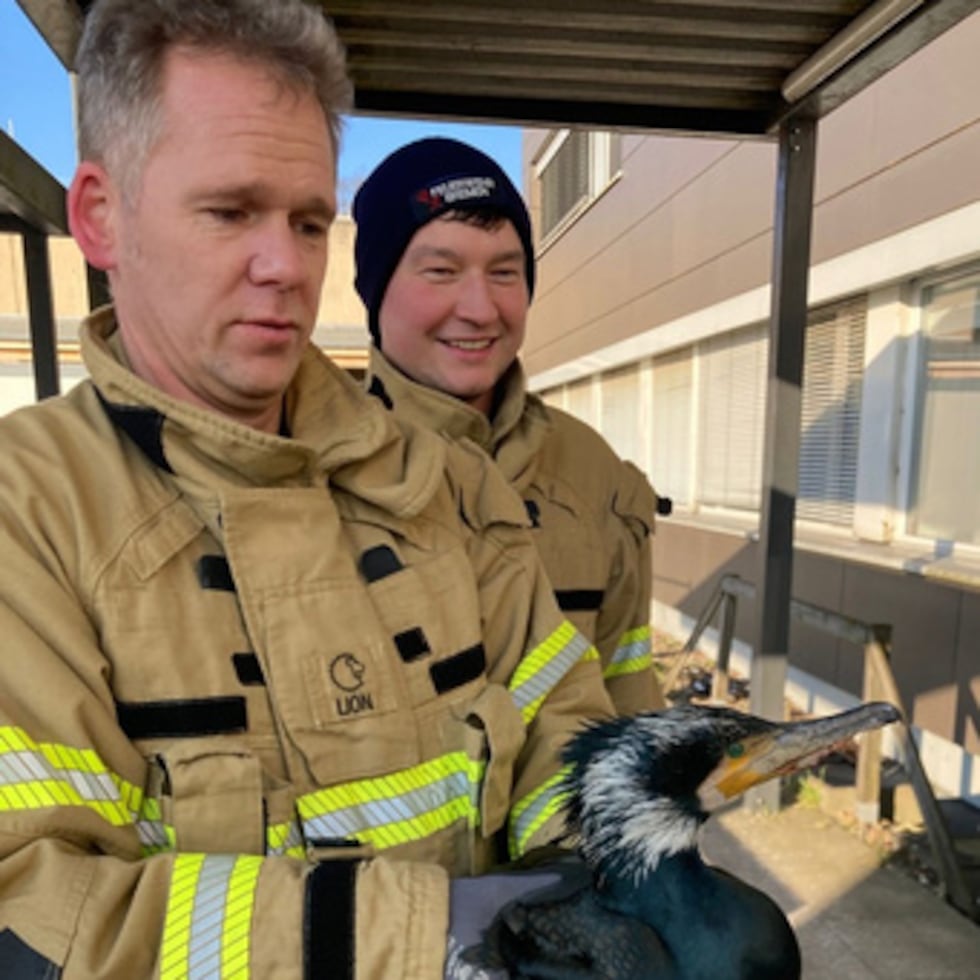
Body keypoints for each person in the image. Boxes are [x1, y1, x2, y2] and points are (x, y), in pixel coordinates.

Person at [0, 2, 617, 976]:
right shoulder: (25, 515)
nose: (285, 267)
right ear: (99, 217)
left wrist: (596, 883)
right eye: (229, 211)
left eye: (307, 219)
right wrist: (442, 936)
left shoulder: (444, 482)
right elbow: (29, 906)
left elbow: (561, 722)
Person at [353, 138, 668, 718]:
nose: (480, 308)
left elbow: (628, 693)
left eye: (504, 272)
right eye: (441, 271)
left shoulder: (592, 471)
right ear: (374, 291)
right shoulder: (309, 467)